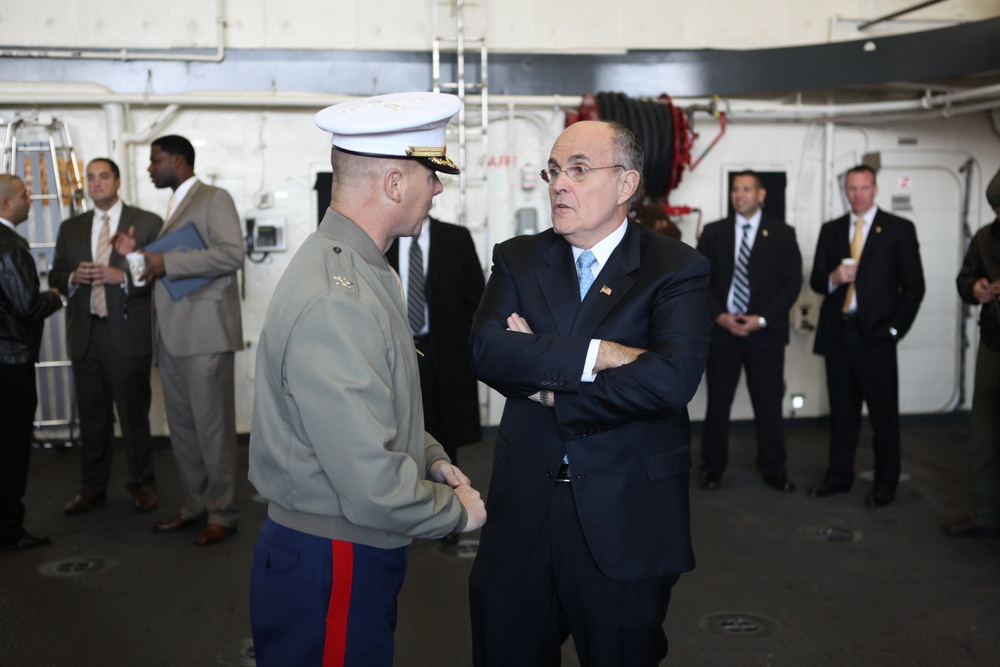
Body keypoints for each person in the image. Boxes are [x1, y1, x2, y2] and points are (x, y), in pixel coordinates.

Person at [248, 92, 487, 667]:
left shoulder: (357, 267)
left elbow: (381, 400)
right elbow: (371, 482)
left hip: (344, 545)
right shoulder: (339, 298)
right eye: (432, 175)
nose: (439, 189)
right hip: (335, 554)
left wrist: (429, 455)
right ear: (396, 184)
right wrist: (458, 511)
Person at [468, 120, 711, 666]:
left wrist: (550, 385)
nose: (558, 184)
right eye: (554, 171)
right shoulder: (519, 259)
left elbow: (671, 381)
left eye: (578, 170)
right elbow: (488, 352)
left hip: (626, 515)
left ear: (626, 185)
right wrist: (600, 355)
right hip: (522, 513)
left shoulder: (676, 269)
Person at [114, 134, 245, 546]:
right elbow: (159, 271)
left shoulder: (214, 197)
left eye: (155, 161)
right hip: (171, 336)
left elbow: (232, 254)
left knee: (213, 430)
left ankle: (222, 513)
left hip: (205, 334)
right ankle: (194, 506)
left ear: (178, 160)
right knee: (183, 431)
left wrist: (165, 260)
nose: (150, 168)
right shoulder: (172, 207)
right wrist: (139, 256)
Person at [50, 158, 163, 517]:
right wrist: (71, 278)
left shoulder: (146, 223)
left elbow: (159, 274)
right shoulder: (70, 228)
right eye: (91, 177)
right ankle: (91, 488)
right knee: (92, 418)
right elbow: (55, 274)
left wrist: (123, 275)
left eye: (104, 176)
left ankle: (143, 486)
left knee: (133, 417)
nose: (97, 183)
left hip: (128, 334)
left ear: (117, 181)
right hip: (85, 333)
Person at [808, 164, 925, 508]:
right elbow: (817, 281)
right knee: (841, 414)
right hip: (839, 333)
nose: (857, 194)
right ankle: (839, 476)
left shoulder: (899, 229)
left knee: (883, 417)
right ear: (845, 191)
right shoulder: (831, 230)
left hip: (876, 337)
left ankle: (885, 484)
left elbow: (915, 288)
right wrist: (834, 277)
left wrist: (893, 330)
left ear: (875, 189)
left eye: (863, 188)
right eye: (851, 188)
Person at [696, 170, 802, 492]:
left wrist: (763, 319)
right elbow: (699, 279)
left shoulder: (782, 233)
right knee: (718, 404)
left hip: (765, 335)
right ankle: (713, 468)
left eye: (746, 189)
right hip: (723, 332)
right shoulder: (715, 233)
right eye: (735, 189)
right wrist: (719, 316)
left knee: (768, 405)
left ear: (761, 194)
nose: (739, 195)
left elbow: (792, 283)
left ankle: (774, 468)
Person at [387, 215, 485, 465]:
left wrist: (464, 341)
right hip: (398, 347)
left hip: (445, 351)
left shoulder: (456, 237)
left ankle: (447, 491)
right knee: (399, 425)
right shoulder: (389, 238)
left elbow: (476, 298)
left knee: (445, 432)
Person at [0, 174, 64, 551]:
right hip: (11, 364)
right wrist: (57, 295)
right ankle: (9, 529)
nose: (31, 199)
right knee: (11, 450)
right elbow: (28, 307)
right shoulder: (10, 247)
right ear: (6, 204)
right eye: (24, 194)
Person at [944, 166, 1000, 538]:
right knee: (984, 431)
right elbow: (965, 278)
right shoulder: (985, 237)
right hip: (994, 342)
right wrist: (975, 288)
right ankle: (985, 513)